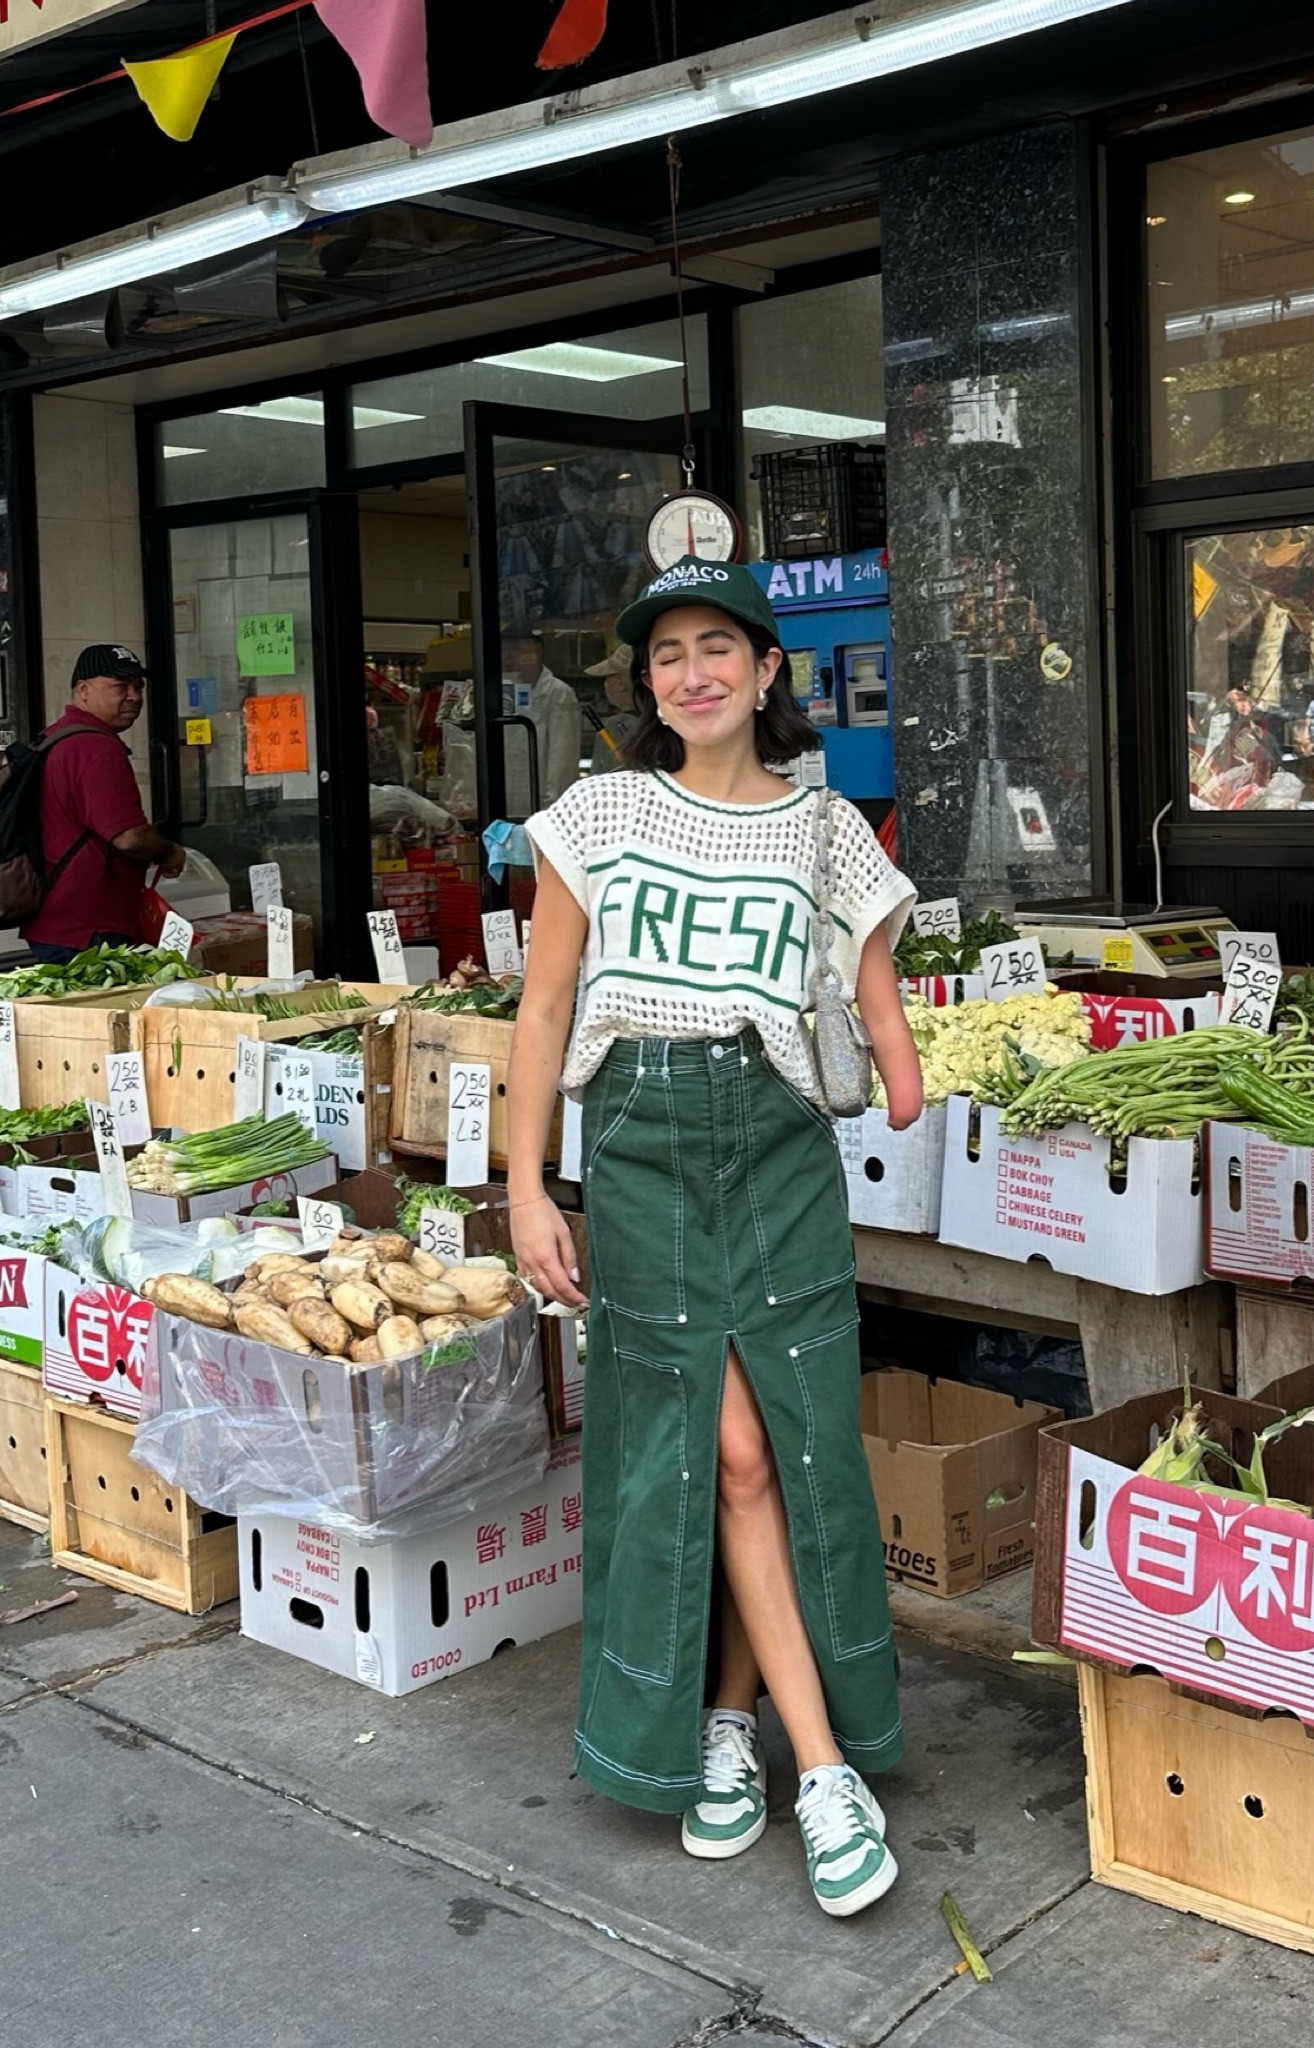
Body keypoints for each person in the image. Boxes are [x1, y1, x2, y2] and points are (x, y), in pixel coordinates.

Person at [508, 557, 923, 1919]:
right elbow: (545, 1012)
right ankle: (826, 1769)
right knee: (719, 1451)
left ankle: (729, 1727)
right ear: (648, 686)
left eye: (718, 648)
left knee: (790, 1448)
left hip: (780, 1147)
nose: (692, 673)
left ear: (765, 672)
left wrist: (904, 1056)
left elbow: (874, 996)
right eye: (667, 654)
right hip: (641, 1152)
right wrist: (528, 1187)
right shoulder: (601, 815)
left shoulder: (823, 829)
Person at [19, 644, 185, 963]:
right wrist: (170, 852)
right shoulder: (95, 748)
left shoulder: (56, 737)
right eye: (120, 686)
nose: (134, 696)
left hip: (57, 922)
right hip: (89, 930)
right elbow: (129, 836)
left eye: (138, 687)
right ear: (84, 690)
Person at [502, 632, 581, 813]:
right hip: (506, 805)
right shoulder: (503, 691)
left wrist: (552, 810)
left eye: (515, 649)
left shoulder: (558, 693)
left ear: (536, 653)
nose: (507, 657)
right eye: (504, 650)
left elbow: (562, 759)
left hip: (542, 810)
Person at [583, 644, 638, 774]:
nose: (605, 684)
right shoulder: (660, 722)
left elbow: (599, 777)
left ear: (620, 684)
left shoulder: (614, 725)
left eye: (608, 677)